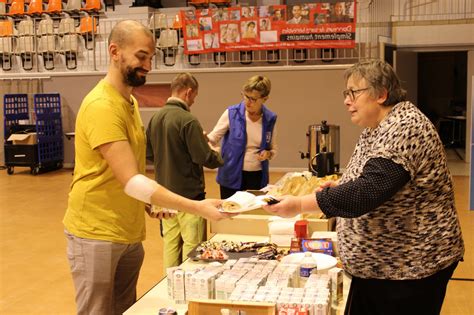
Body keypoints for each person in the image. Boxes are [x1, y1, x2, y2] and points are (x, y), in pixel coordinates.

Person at [263, 59, 464, 315]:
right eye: (346, 94)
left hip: (409, 270)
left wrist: (300, 204)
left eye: (354, 93)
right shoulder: (376, 127)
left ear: (381, 94)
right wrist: (341, 184)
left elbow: (366, 192)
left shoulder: (405, 127)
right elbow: (368, 177)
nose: (347, 101)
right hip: (382, 268)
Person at [63, 20, 229, 315]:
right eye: (141, 56)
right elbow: (132, 181)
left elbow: (126, 174)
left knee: (125, 309)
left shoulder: (129, 103)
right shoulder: (102, 105)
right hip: (96, 234)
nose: (148, 65)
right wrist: (197, 207)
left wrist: (148, 206)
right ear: (115, 52)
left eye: (151, 57)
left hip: (128, 233)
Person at [146, 73, 223, 269]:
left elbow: (149, 155)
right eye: (194, 97)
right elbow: (204, 158)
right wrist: (216, 152)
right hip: (190, 197)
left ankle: (170, 287)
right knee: (193, 247)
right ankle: (189, 292)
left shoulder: (155, 119)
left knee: (170, 245)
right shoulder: (188, 120)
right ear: (188, 92)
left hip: (163, 197)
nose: (194, 101)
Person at [207, 75, 277, 199]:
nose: (247, 102)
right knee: (230, 214)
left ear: (265, 99)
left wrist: (268, 154)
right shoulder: (231, 113)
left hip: (257, 176)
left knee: (253, 215)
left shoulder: (270, 119)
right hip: (230, 175)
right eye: (245, 96)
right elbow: (213, 138)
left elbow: (273, 149)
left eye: (253, 99)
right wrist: (204, 140)